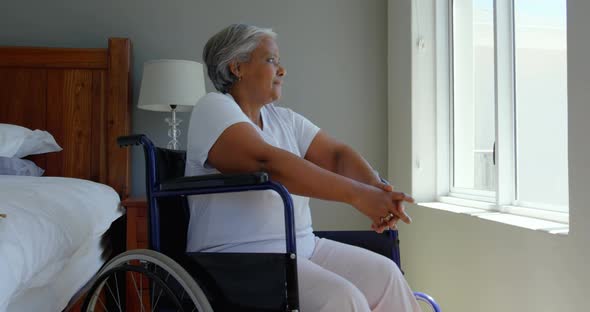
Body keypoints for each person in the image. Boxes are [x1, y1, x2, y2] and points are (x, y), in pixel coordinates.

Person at [185, 24, 422, 312]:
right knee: (343, 299)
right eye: (271, 60)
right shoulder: (213, 108)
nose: (282, 71)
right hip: (237, 256)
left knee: (387, 276)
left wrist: (377, 191)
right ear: (237, 67)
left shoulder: (284, 119)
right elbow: (267, 163)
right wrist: (357, 195)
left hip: (303, 246)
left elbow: (336, 155)